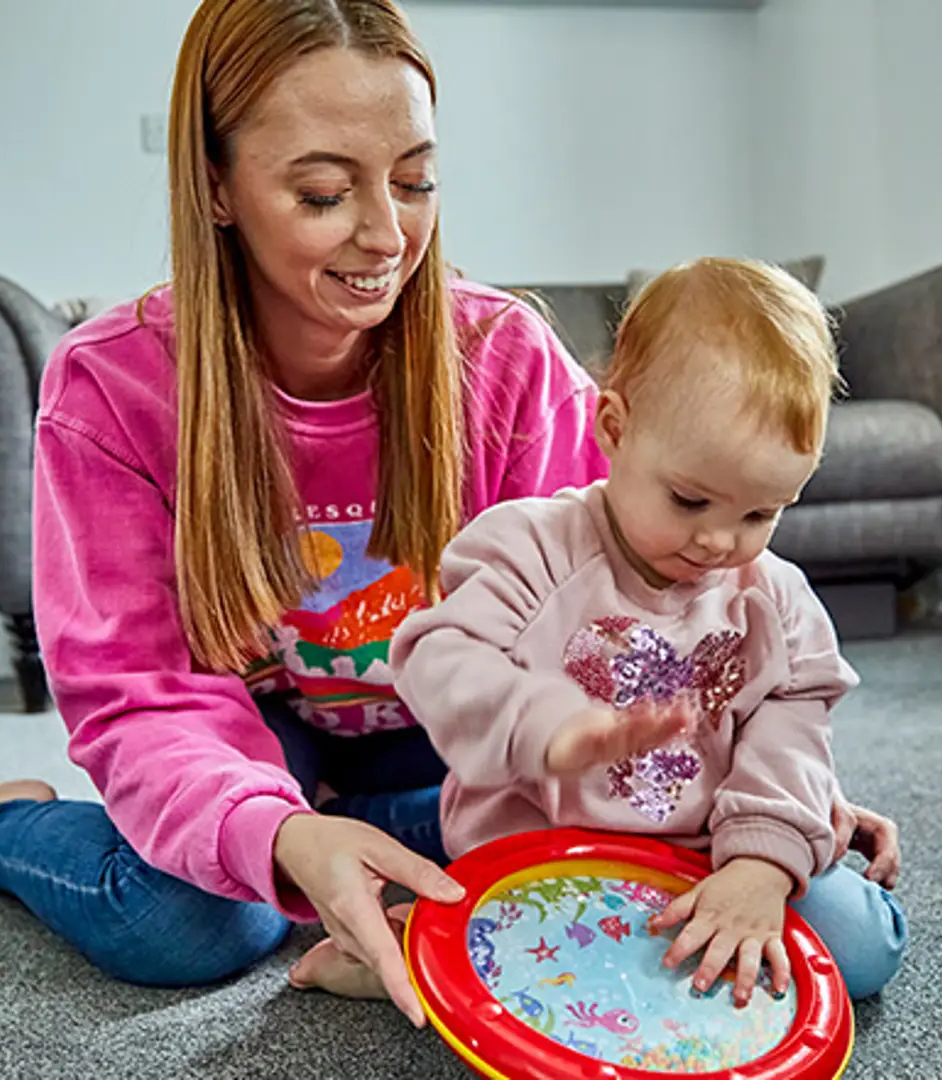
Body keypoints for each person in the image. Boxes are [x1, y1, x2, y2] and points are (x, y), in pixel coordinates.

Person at [0, 0, 897, 1029]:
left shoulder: (508, 359)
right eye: (324, 194)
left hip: (466, 737)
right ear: (217, 185)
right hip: (256, 731)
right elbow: (139, 696)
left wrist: (749, 798)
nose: (388, 235)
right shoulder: (113, 386)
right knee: (183, 923)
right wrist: (276, 835)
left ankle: (347, 845)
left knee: (618, 874)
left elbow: (633, 625)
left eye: (416, 180)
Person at [294, 257, 909, 1009]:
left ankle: (479, 948)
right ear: (613, 427)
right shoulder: (530, 547)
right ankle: (410, 944)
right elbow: (437, 656)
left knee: (860, 948)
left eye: (760, 514)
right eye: (691, 500)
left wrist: (764, 862)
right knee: (536, 965)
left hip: (707, 853)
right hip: (540, 853)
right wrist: (544, 722)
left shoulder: (774, 596)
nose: (720, 542)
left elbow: (793, 728)